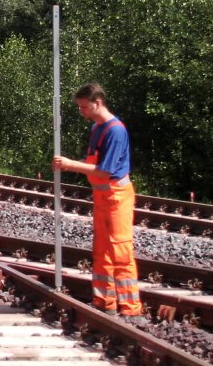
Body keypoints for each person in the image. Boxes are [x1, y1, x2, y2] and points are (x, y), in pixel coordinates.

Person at [52, 83, 143, 321]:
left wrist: (71, 164)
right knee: (101, 250)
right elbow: (95, 165)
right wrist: (72, 165)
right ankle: (105, 302)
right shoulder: (97, 128)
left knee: (120, 249)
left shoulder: (115, 131)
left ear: (97, 103)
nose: (81, 111)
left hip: (117, 196)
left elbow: (104, 171)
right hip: (103, 196)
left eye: (83, 106)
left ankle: (131, 308)